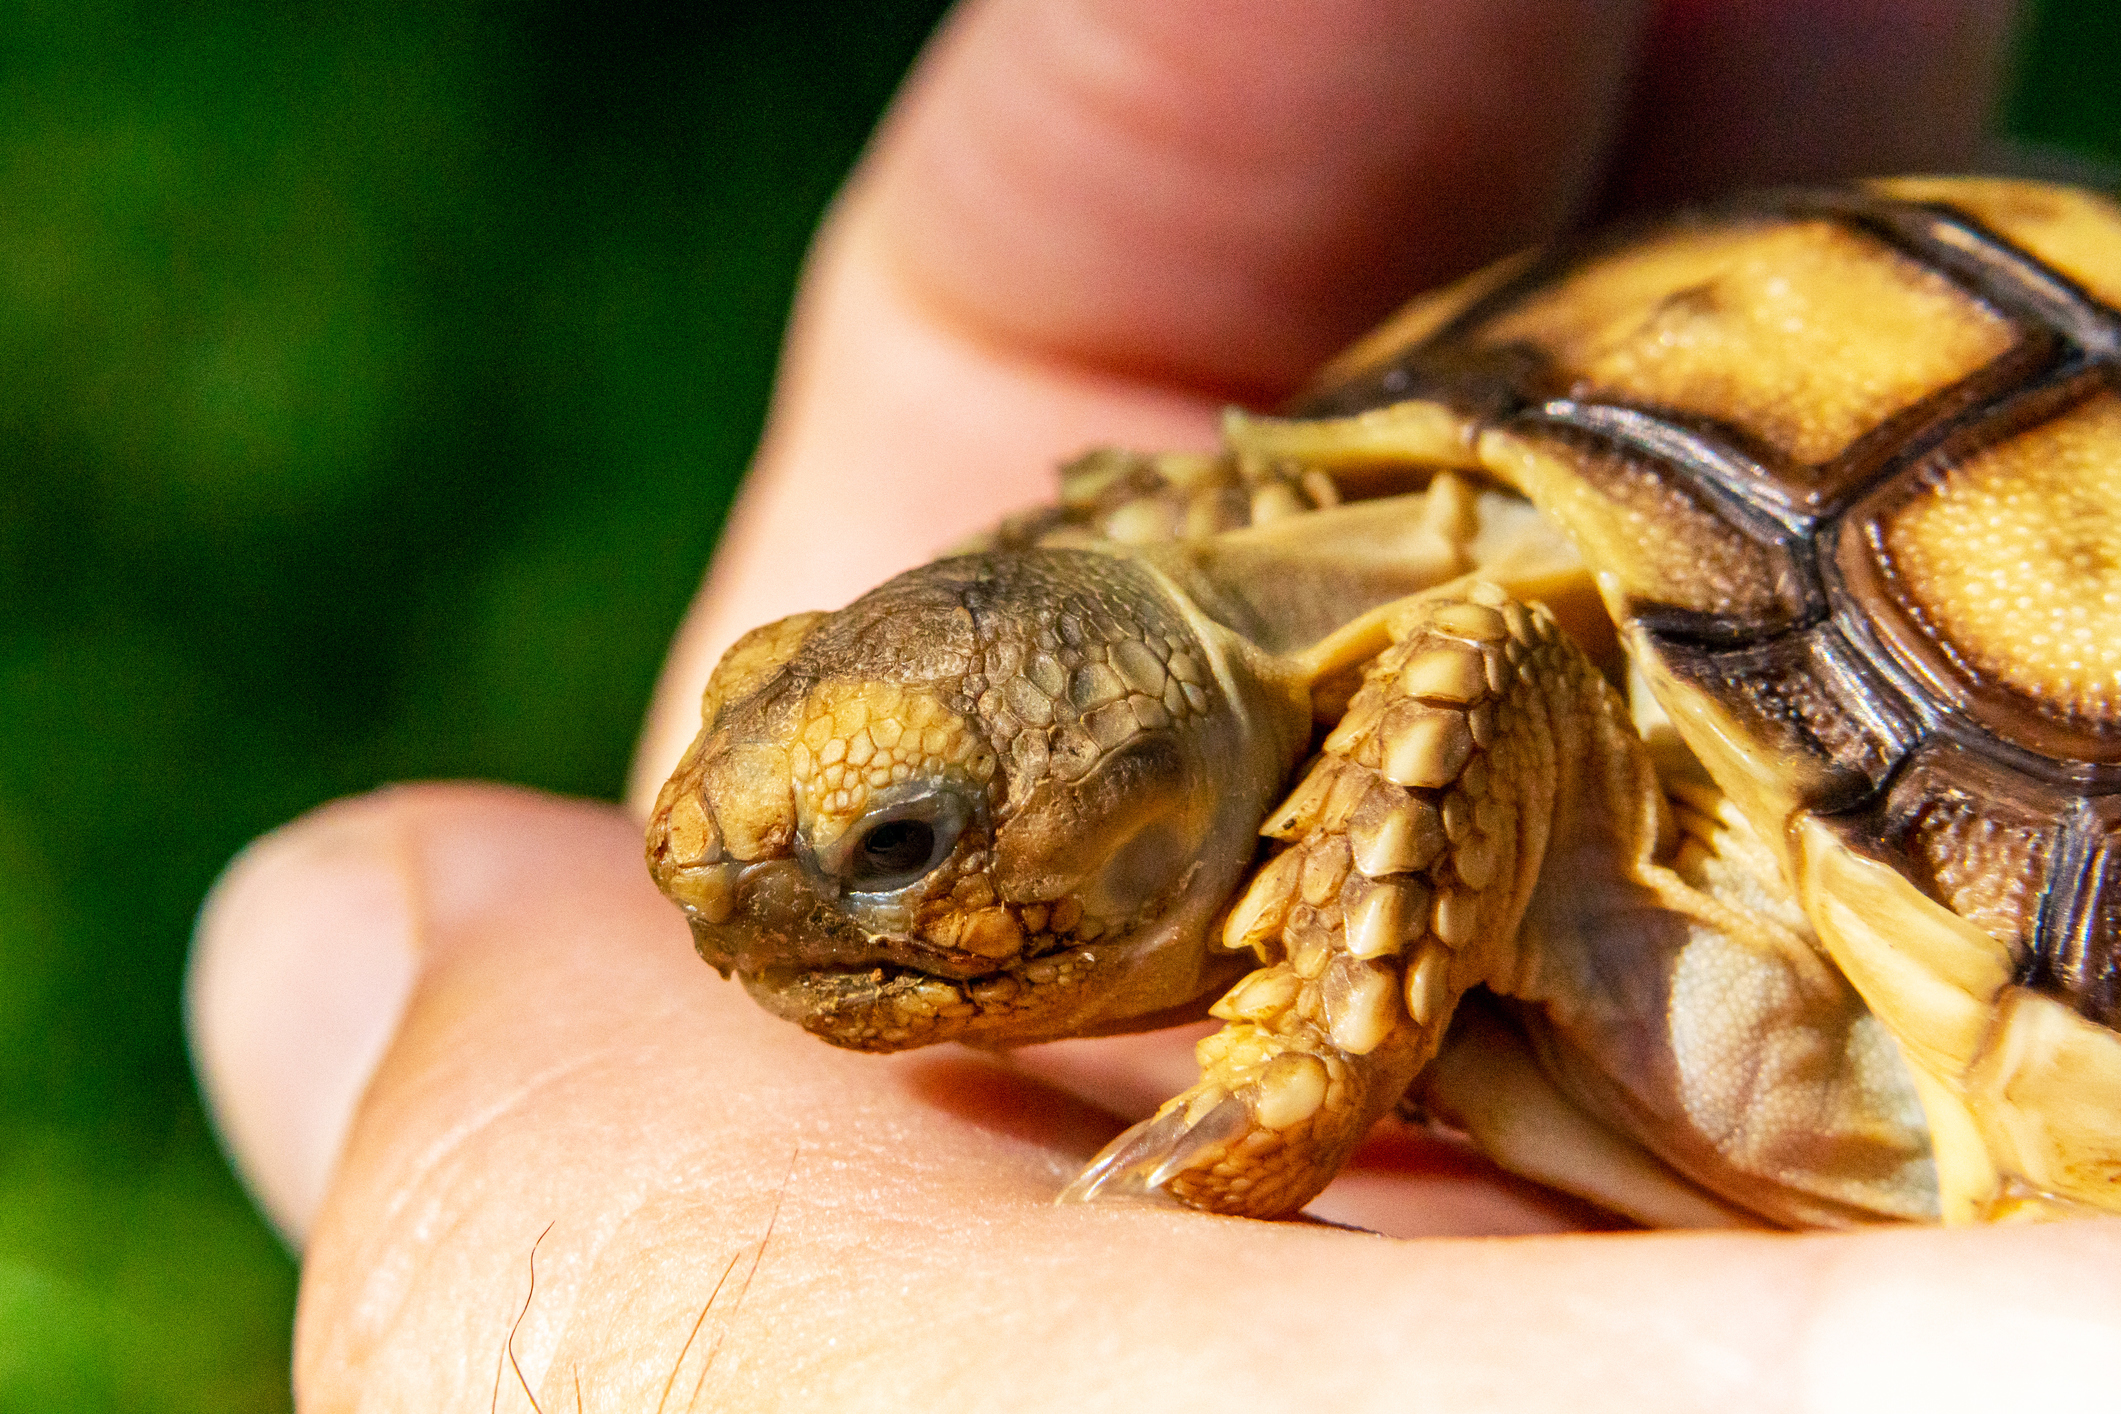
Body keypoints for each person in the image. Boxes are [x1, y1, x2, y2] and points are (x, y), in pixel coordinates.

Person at [190, 1, 2121, 1406]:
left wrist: (1306, 1060)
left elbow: (1481, 652)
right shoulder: (1254, 544)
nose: (721, 919)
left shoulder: (1468, 671)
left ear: (1136, 800)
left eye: (899, 851)